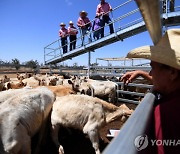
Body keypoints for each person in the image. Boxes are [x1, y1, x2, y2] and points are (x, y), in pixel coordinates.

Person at [121, 29, 180, 153]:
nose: (151, 73)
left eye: (153, 67)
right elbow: (163, 81)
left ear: (173, 72)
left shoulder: (166, 112)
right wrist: (142, 73)